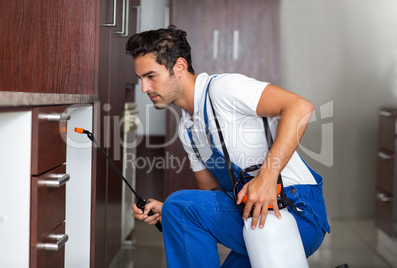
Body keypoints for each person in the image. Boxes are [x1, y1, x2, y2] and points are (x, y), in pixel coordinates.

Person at [126, 25, 330, 267]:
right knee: (178, 207)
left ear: (179, 67)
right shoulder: (187, 130)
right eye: (141, 79)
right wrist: (168, 211)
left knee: (179, 205)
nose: (144, 88)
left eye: (151, 76)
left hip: (296, 211)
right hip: (254, 217)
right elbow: (212, 197)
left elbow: (299, 107)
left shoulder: (223, 89)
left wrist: (267, 176)